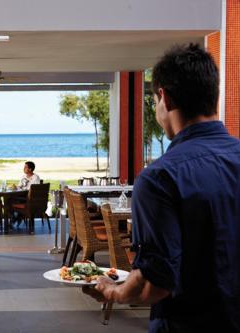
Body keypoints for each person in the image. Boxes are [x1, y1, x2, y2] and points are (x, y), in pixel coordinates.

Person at [83, 44, 240, 332]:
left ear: (164, 98)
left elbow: (157, 283)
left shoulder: (159, 178)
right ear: (213, 95)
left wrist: (112, 291)